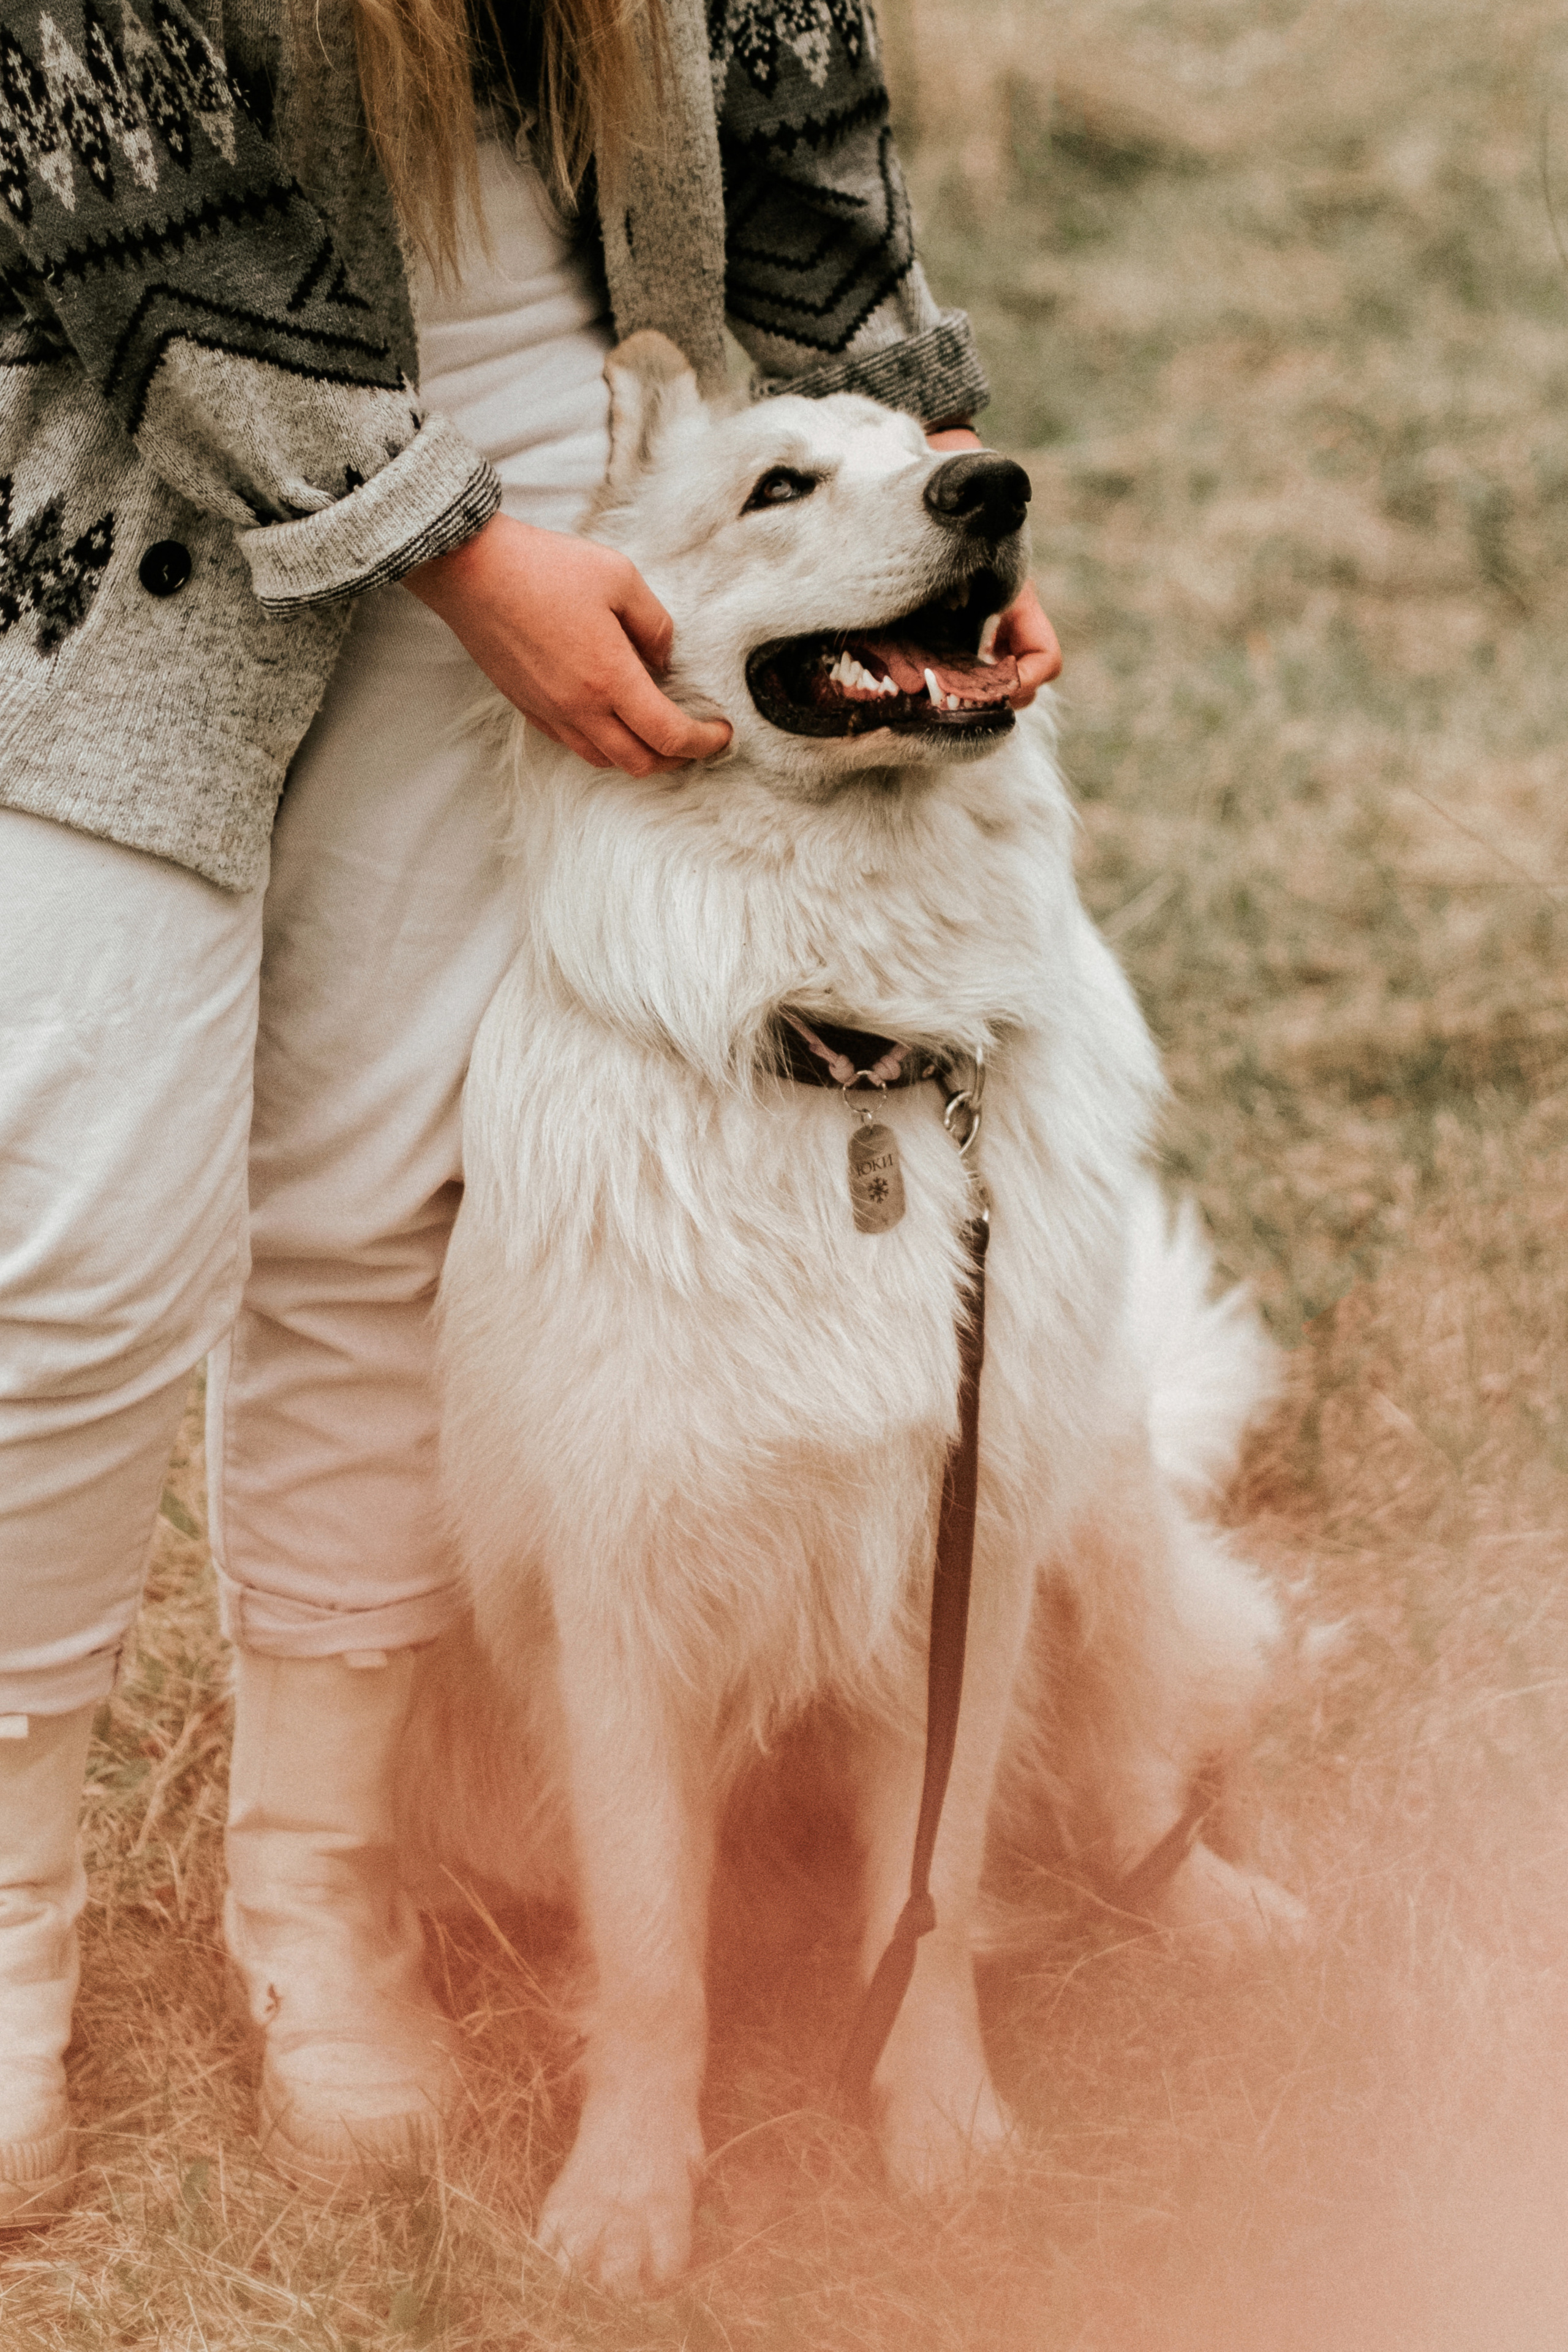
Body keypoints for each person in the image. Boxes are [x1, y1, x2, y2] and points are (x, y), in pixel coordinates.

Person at [0, 0, 1061, 2222]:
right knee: (76, 1245)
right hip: (131, 490)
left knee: (385, 1214)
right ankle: (5, 1940)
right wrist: (446, 541)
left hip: (574, 483)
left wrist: (931, 498)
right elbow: (86, 113)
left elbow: (787, 84)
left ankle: (322, 1899)